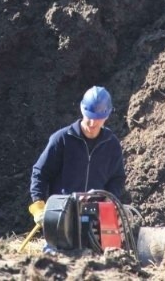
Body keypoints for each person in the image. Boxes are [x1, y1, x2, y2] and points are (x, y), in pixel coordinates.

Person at [29, 86, 126, 225]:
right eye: (89, 117)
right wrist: (39, 206)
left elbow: (118, 178)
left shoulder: (111, 144)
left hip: (95, 218)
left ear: (107, 116)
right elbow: (40, 173)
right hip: (62, 215)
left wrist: (108, 201)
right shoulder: (62, 139)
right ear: (82, 110)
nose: (93, 123)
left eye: (98, 119)